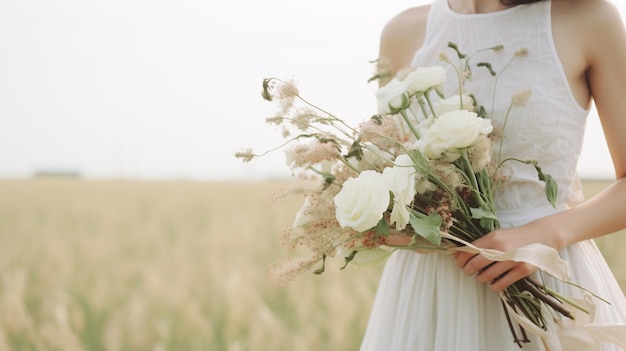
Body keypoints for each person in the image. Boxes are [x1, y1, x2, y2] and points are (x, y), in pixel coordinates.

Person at [360, 0, 626, 350]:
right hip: (429, 293)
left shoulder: (587, 17)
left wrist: (545, 234)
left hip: (545, 276)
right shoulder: (403, 31)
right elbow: (395, 167)